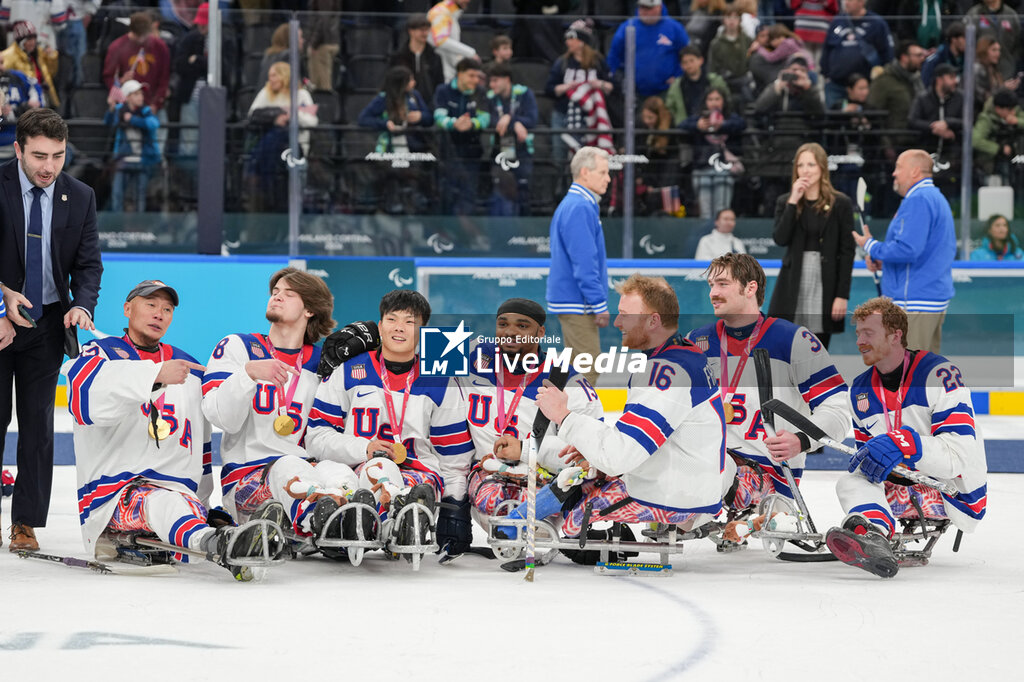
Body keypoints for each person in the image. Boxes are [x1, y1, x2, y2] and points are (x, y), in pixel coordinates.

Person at [62, 281, 281, 580]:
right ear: (127, 309)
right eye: (150, 305)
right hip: (115, 493)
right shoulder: (100, 352)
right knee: (163, 503)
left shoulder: (187, 365)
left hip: (176, 491)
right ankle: (217, 542)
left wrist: (202, 502)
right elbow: (84, 397)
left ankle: (224, 534)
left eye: (167, 309)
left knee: (186, 506)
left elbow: (200, 443)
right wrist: (154, 374)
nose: (159, 314)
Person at [531, 274, 727, 544]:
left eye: (625, 315)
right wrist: (591, 448)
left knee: (572, 514)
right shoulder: (683, 354)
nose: (617, 322)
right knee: (584, 473)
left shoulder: (665, 373)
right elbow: (640, 438)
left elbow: (618, 457)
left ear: (653, 320)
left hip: (670, 495)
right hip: (685, 484)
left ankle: (515, 526)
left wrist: (564, 417)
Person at [202, 268, 364, 551]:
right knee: (287, 465)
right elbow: (220, 417)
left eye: (289, 294)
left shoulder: (322, 363)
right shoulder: (239, 347)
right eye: (275, 292)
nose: (277, 297)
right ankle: (323, 525)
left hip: (306, 470)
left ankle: (352, 522)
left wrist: (370, 340)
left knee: (337, 471)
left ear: (310, 310)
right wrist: (248, 374)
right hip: (246, 481)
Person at [0, 108, 103, 551]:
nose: (49, 167)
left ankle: (25, 522)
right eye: (39, 155)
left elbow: (87, 264)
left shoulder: (79, 196)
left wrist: (80, 305)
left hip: (45, 326)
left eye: (58, 156)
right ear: (19, 149)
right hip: (0, 325)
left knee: (39, 426)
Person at [826, 297, 987, 578]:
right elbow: (871, 462)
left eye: (869, 333)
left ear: (895, 335)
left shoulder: (938, 374)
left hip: (950, 491)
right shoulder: (860, 390)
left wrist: (904, 442)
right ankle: (874, 536)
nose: (859, 341)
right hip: (902, 489)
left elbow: (959, 458)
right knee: (851, 480)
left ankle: (872, 532)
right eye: (858, 334)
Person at [305, 290, 474, 551]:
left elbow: (454, 456)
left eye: (410, 322)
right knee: (374, 472)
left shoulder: (441, 379)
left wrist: (456, 511)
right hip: (359, 471)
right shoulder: (348, 371)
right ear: (380, 325)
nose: (399, 328)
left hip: (419, 475)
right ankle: (387, 523)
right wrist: (364, 448)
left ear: (423, 331)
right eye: (392, 319)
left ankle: (385, 521)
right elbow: (316, 438)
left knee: (411, 489)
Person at [686, 253, 851, 517]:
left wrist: (801, 439)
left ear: (750, 287)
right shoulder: (697, 341)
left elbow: (838, 407)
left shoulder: (793, 339)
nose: (713, 293)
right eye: (711, 285)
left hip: (771, 475)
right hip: (712, 461)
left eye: (722, 284)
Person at [456, 298, 603, 555]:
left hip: (544, 480)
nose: (510, 332)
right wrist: (364, 339)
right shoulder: (473, 354)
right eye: (503, 324)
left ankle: (553, 525)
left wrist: (527, 450)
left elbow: (593, 451)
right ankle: (524, 529)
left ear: (541, 332)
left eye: (522, 326)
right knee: (495, 502)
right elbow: (405, 351)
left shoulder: (564, 378)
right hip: (487, 475)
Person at [852, 149, 955, 354]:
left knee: (908, 374)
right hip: (928, 298)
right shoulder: (934, 197)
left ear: (915, 171)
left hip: (915, 302)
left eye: (899, 167)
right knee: (924, 373)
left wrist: (871, 245)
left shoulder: (918, 199)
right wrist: (886, 262)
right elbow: (923, 250)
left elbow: (908, 249)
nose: (894, 173)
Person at [768, 142, 855, 350]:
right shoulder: (786, 201)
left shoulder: (840, 203)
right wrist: (793, 201)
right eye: (800, 165)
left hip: (825, 280)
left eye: (811, 165)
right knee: (787, 342)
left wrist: (842, 295)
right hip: (793, 279)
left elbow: (847, 252)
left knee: (818, 346)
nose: (805, 171)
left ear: (822, 167)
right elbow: (780, 238)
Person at [546, 146, 611, 387]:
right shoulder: (580, 206)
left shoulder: (576, 204)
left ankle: (567, 421)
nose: (609, 178)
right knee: (587, 373)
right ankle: (576, 423)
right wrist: (598, 303)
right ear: (585, 172)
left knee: (578, 371)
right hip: (579, 302)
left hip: (574, 300)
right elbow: (585, 264)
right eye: (603, 172)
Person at [358, 65, 435, 214]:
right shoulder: (383, 99)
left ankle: (413, 203)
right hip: (389, 149)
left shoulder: (414, 96)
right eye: (410, 80)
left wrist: (420, 116)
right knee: (391, 176)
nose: (414, 83)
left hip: (414, 147)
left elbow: (428, 118)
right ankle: (391, 201)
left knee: (414, 176)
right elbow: (363, 119)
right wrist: (385, 124)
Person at [245, 61, 318, 215]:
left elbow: (312, 121)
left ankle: (260, 176)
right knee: (276, 133)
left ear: (284, 76)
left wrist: (291, 115)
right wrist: (275, 117)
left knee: (280, 133)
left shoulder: (301, 94)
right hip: (269, 145)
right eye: (269, 76)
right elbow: (252, 115)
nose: (270, 79)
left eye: (274, 75)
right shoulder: (266, 92)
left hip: (293, 146)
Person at [544, 19, 615, 160]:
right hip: (563, 114)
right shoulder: (562, 62)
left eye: (571, 38)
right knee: (560, 156)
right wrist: (567, 87)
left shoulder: (598, 61)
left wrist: (599, 84)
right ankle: (562, 182)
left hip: (591, 116)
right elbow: (550, 89)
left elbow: (612, 87)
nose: (567, 42)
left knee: (588, 158)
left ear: (582, 41)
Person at [433, 57, 489, 218]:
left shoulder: (480, 92)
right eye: (471, 76)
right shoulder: (443, 91)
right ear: (460, 74)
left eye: (477, 76)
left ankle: (466, 236)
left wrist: (471, 124)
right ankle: (446, 233)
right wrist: (453, 124)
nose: (476, 80)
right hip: (447, 151)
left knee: (469, 193)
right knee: (447, 192)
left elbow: (485, 118)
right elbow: (438, 116)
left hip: (472, 152)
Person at [681, 86, 746, 220]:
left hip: (723, 169)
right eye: (710, 99)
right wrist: (697, 126)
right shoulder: (698, 118)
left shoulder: (729, 118)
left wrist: (723, 125)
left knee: (722, 210)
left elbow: (741, 124)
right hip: (701, 169)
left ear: (723, 101)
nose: (714, 102)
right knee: (705, 213)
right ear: (705, 102)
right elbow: (681, 125)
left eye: (717, 99)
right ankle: (708, 239)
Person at [607, 0, 690, 100]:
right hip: (635, 92)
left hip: (667, 91)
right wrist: (616, 77)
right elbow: (614, 55)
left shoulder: (674, 28)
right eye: (642, 7)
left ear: (659, 7)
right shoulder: (627, 27)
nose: (644, 11)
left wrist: (678, 76)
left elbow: (687, 53)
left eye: (648, 8)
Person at [485, 62, 537, 217]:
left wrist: (510, 119)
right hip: (499, 151)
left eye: (495, 80)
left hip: (522, 151)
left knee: (523, 194)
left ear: (506, 79)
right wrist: (516, 123)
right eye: (490, 81)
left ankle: (523, 236)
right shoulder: (489, 97)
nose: (491, 84)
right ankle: (501, 235)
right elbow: (491, 121)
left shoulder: (525, 93)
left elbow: (532, 119)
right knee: (500, 195)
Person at [820, 0, 894, 108]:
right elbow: (827, 49)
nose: (846, 3)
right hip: (837, 85)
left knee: (866, 120)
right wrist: (826, 74)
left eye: (850, 0)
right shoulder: (838, 21)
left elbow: (887, 54)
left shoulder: (876, 23)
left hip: (865, 87)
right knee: (834, 120)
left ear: (861, 2)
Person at [908, 63, 963, 201]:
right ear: (939, 79)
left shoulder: (960, 98)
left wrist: (948, 125)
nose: (955, 81)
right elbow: (912, 121)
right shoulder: (923, 98)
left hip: (952, 156)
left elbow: (968, 120)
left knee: (950, 195)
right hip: (927, 154)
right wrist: (933, 128)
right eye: (951, 77)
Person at [104, 79, 160, 213]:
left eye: (141, 94)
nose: (141, 97)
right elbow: (108, 122)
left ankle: (140, 226)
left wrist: (133, 119)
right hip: (122, 160)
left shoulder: (145, 111)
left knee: (140, 196)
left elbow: (153, 124)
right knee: (117, 194)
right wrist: (111, 108)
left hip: (142, 160)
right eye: (136, 94)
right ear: (127, 97)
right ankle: (116, 225)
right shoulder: (119, 110)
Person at [102, 12, 171, 113]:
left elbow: (164, 77)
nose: (142, 39)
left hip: (153, 105)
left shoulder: (160, 47)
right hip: (127, 106)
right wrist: (121, 81)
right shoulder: (117, 47)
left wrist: (156, 103)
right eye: (138, 35)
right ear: (132, 31)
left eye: (145, 35)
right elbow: (109, 76)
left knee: (158, 126)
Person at [637, 95, 682, 217]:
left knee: (667, 207)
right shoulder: (641, 126)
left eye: (650, 118)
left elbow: (669, 156)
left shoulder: (669, 128)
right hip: (650, 173)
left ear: (659, 116)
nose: (647, 121)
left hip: (666, 172)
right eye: (645, 117)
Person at [665, 45, 730, 126]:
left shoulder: (715, 81)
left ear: (701, 60)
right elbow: (670, 108)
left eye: (692, 61)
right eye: (685, 62)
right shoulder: (676, 86)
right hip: (686, 130)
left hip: (715, 127)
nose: (689, 65)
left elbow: (727, 101)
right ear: (681, 65)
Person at [390, 13, 445, 106]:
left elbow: (439, 83)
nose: (425, 33)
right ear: (411, 31)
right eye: (422, 30)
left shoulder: (435, 57)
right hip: (403, 103)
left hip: (429, 106)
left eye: (427, 30)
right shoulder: (398, 57)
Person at [0, 20, 58, 108]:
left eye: (34, 38)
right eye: (29, 39)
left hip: (42, 99)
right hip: (22, 104)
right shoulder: (8, 55)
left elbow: (51, 73)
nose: (33, 42)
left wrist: (51, 57)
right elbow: (4, 79)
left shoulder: (37, 53)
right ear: (21, 42)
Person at [972, 87, 1024, 185]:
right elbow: (976, 140)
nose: (1013, 112)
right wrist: (999, 148)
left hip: (1015, 160)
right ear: (998, 109)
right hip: (992, 163)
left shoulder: (1015, 112)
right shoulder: (986, 119)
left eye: (1013, 109)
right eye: (1009, 110)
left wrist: (1018, 122)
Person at [965, 0, 1020, 81]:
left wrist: (1012, 62)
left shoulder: (1011, 14)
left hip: (1008, 71)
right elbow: (967, 43)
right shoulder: (974, 14)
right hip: (982, 73)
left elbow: (1018, 45)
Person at [708, 8, 753, 104]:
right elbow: (712, 67)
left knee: (748, 99)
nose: (732, 20)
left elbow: (751, 61)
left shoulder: (747, 40)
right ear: (723, 20)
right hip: (724, 81)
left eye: (735, 17)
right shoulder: (716, 43)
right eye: (728, 17)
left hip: (744, 81)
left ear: (740, 20)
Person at [428, 0, 478, 82]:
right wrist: (470, 53)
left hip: (450, 69)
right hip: (440, 70)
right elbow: (440, 40)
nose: (468, 1)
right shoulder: (441, 12)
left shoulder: (452, 13)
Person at [790, 0, 839, 66]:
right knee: (817, 59)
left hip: (806, 28)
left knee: (807, 59)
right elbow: (834, 9)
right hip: (818, 28)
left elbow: (793, 5)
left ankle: (811, 74)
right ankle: (814, 74)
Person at [921, 21, 966, 88]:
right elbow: (926, 84)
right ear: (954, 39)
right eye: (964, 38)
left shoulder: (966, 58)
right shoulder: (936, 59)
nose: (967, 42)